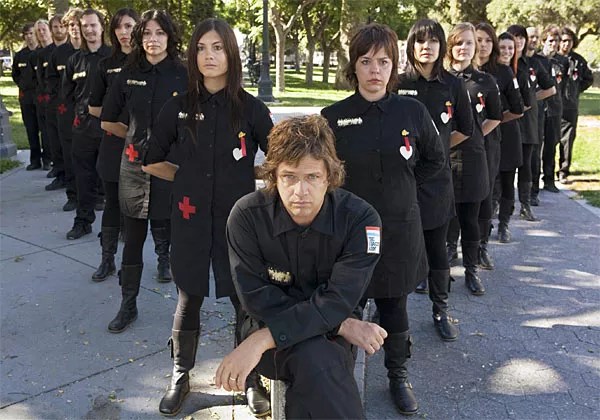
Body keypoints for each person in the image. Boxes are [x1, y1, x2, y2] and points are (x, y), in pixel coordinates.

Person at [215, 114, 386, 419]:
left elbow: (339, 299)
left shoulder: (361, 219)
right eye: (289, 177)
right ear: (273, 177)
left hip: (290, 339)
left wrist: (263, 339)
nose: (300, 191)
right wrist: (341, 324)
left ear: (329, 176)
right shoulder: (247, 217)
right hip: (267, 325)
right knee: (318, 358)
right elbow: (257, 300)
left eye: (312, 177)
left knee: (316, 356)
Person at [142, 18, 273, 417]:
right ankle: (180, 374)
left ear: (231, 53)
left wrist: (247, 175)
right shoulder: (178, 106)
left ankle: (251, 378)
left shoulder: (250, 109)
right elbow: (151, 160)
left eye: (217, 48)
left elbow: (279, 161)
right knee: (189, 295)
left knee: (243, 298)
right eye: (201, 48)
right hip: (190, 217)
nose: (208, 56)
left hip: (238, 222)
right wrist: (187, 178)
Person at [322, 23, 445, 415]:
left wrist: (404, 187)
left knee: (395, 307)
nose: (374, 70)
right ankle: (339, 377)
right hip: (348, 235)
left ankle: (397, 375)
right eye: (365, 61)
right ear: (353, 66)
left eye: (383, 61)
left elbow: (434, 159)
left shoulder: (412, 111)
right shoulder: (333, 118)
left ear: (394, 66)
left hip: (399, 230)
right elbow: (324, 173)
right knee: (346, 308)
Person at [100, 9, 187, 334]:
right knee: (133, 239)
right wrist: (137, 141)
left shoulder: (184, 74)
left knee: (179, 239)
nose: (153, 39)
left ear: (169, 37)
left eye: (159, 33)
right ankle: (128, 304)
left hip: (172, 168)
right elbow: (108, 119)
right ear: (139, 38)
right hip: (134, 169)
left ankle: (186, 310)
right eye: (147, 33)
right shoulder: (128, 73)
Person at [397, 19, 470, 336]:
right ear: (411, 46)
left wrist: (436, 150)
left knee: (437, 248)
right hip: (401, 180)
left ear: (442, 46)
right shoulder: (397, 83)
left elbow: (465, 129)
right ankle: (390, 314)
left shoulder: (453, 85)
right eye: (420, 41)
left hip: (437, 181)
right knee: (397, 248)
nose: (426, 47)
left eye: (433, 41)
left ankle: (440, 310)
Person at [446, 22, 502, 292]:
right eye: (459, 43)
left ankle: (471, 270)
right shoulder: (441, 80)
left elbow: (496, 116)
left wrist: (475, 133)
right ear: (450, 46)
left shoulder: (485, 81)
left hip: (473, 157)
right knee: (444, 217)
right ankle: (440, 268)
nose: (464, 48)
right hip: (444, 157)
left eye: (469, 42)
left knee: (469, 217)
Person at [88, 8, 139, 282]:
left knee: (143, 206)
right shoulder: (105, 65)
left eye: (129, 26)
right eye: (119, 27)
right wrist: (117, 121)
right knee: (113, 204)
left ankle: (159, 261)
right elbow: (94, 107)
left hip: (144, 146)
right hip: (113, 144)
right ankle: (107, 259)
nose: (123, 32)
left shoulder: (149, 63)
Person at [63, 9, 110, 240]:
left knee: (111, 179)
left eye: (93, 25)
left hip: (110, 128)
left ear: (102, 26)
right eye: (85, 26)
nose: (89, 30)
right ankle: (83, 221)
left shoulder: (114, 57)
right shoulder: (74, 60)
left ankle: (114, 226)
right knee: (83, 178)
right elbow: (67, 94)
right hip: (83, 129)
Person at [507, 25, 555, 222]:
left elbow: (550, 88)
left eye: (522, 37)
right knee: (505, 166)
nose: (519, 41)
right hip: (507, 121)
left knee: (527, 164)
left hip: (528, 122)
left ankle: (525, 204)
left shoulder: (534, 63)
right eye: (515, 37)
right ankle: (502, 205)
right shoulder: (503, 63)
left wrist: (530, 100)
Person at [47, 7, 83, 211]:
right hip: (66, 111)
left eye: (78, 24)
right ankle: (73, 195)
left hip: (90, 112)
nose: (75, 28)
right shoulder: (59, 53)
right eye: (71, 25)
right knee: (69, 155)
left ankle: (97, 194)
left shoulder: (93, 52)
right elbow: (50, 80)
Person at [557, 27, 593, 184]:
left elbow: (588, 79)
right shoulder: (551, 59)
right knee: (547, 140)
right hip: (551, 106)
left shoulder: (578, 61)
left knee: (567, 140)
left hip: (570, 106)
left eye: (569, 41)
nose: (566, 44)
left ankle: (563, 171)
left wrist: (576, 90)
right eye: (563, 41)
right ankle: (545, 171)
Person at [539, 25, 569, 194]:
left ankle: (549, 179)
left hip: (555, 108)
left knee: (551, 144)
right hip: (539, 108)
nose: (554, 44)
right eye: (550, 41)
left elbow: (565, 84)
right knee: (537, 145)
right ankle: (533, 181)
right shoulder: (536, 60)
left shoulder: (562, 61)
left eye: (556, 41)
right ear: (543, 41)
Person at [43, 14, 69, 191]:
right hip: (56, 104)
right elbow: (46, 79)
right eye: (55, 27)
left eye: (62, 26)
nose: (59, 30)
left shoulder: (76, 51)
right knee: (56, 141)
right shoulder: (49, 53)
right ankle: (60, 174)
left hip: (75, 105)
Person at [11, 23, 41, 170]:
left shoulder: (42, 53)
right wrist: (22, 85)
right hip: (26, 97)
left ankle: (48, 158)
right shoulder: (20, 55)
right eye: (26, 34)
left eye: (31, 33)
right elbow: (15, 74)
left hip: (41, 96)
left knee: (46, 129)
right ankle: (35, 160)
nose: (29, 37)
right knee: (31, 128)